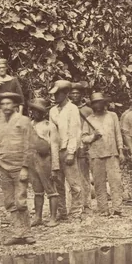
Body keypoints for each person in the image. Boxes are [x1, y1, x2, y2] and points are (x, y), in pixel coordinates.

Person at [0, 89, 35, 245]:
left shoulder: (23, 121)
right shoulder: (0, 123)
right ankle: (17, 233)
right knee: (9, 202)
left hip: (19, 167)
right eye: (3, 104)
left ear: (15, 105)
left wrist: (25, 168)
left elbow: (30, 146)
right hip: (3, 167)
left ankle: (27, 233)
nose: (6, 106)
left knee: (20, 201)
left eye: (9, 103)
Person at [50, 80, 88, 222]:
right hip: (56, 150)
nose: (55, 97)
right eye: (54, 94)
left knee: (74, 184)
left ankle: (76, 212)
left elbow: (75, 132)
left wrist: (72, 151)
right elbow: (53, 135)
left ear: (66, 94)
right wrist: (53, 156)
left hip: (68, 149)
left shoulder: (72, 109)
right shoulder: (53, 110)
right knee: (58, 182)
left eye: (58, 94)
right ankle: (62, 212)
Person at [85, 91, 125, 216]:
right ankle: (103, 209)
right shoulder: (88, 119)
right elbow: (83, 138)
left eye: (100, 102)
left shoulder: (112, 116)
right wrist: (93, 137)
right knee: (99, 183)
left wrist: (121, 151)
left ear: (104, 103)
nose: (98, 105)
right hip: (96, 155)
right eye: (95, 103)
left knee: (116, 182)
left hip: (112, 154)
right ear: (92, 105)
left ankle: (117, 208)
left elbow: (118, 134)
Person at [26, 96, 63, 227]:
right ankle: (38, 217)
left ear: (44, 113)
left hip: (45, 159)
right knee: (37, 190)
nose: (35, 113)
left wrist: (55, 167)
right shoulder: (29, 125)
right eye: (33, 110)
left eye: (39, 111)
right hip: (32, 159)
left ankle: (53, 217)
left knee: (51, 189)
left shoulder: (50, 126)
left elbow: (54, 147)